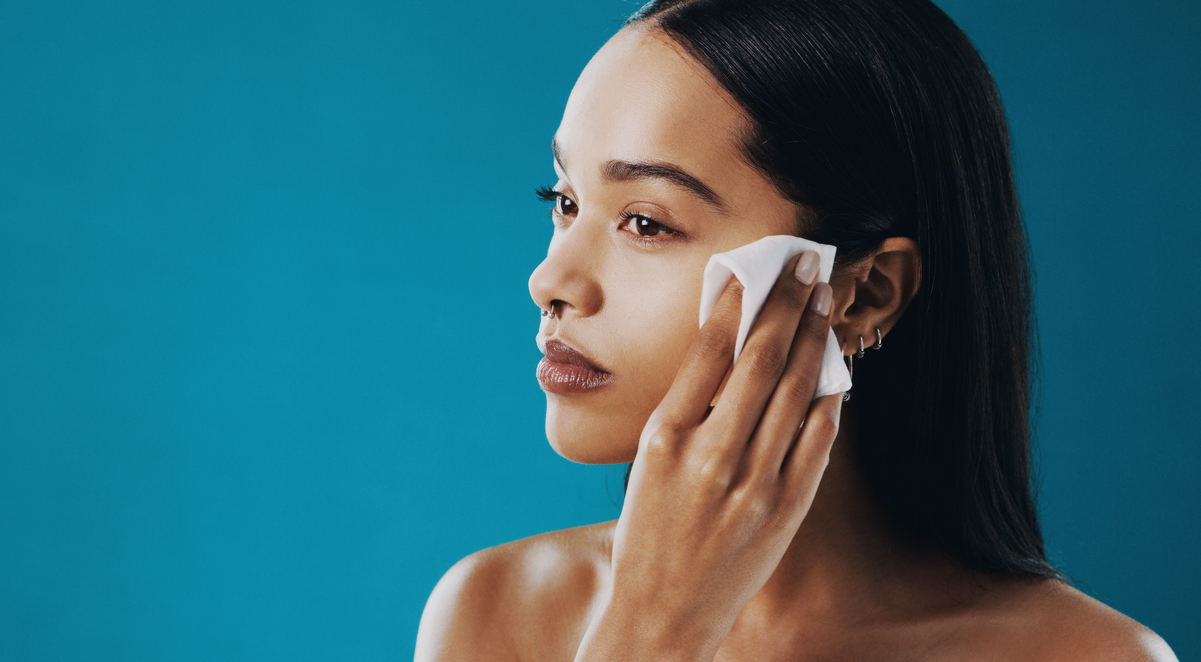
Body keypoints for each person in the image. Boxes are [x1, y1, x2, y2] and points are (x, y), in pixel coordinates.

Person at [415, 0, 1178, 659]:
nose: (549, 281)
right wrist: (647, 634)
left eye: (644, 221)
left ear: (865, 294)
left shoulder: (1084, 657)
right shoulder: (494, 612)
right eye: (564, 199)